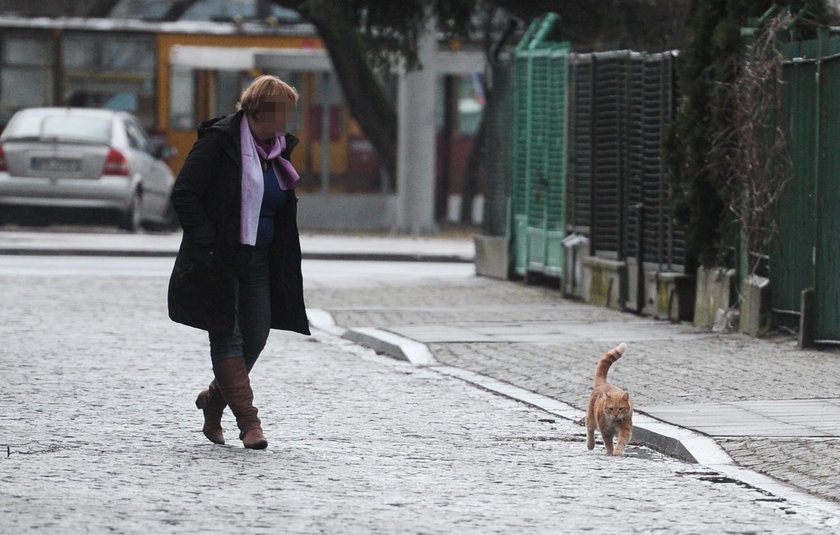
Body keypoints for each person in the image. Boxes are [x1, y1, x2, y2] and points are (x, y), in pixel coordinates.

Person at [168, 75, 310, 450]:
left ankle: (213, 401)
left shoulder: (277, 150)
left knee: (256, 335)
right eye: (284, 111)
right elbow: (184, 194)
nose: (289, 120)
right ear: (263, 110)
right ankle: (250, 424)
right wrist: (208, 244)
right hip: (221, 260)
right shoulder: (221, 142)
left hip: (260, 261)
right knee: (227, 335)